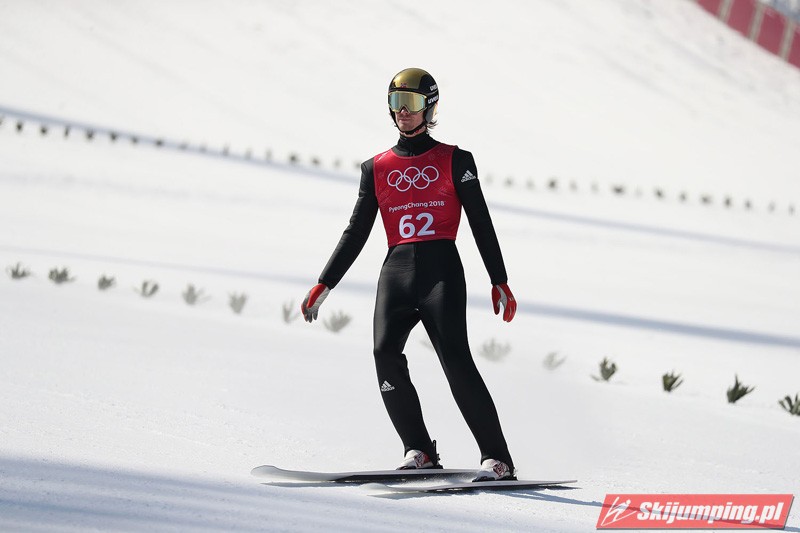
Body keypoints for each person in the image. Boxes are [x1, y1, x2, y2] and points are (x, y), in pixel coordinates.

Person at [301, 68, 517, 481]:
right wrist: (325, 282)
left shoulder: (456, 160)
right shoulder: (375, 168)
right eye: (397, 103)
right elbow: (356, 231)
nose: (403, 111)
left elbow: (481, 222)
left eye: (412, 103)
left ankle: (497, 458)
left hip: (441, 273)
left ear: (429, 108)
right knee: (384, 355)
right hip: (395, 273)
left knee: (455, 359)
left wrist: (499, 279)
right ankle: (418, 449)